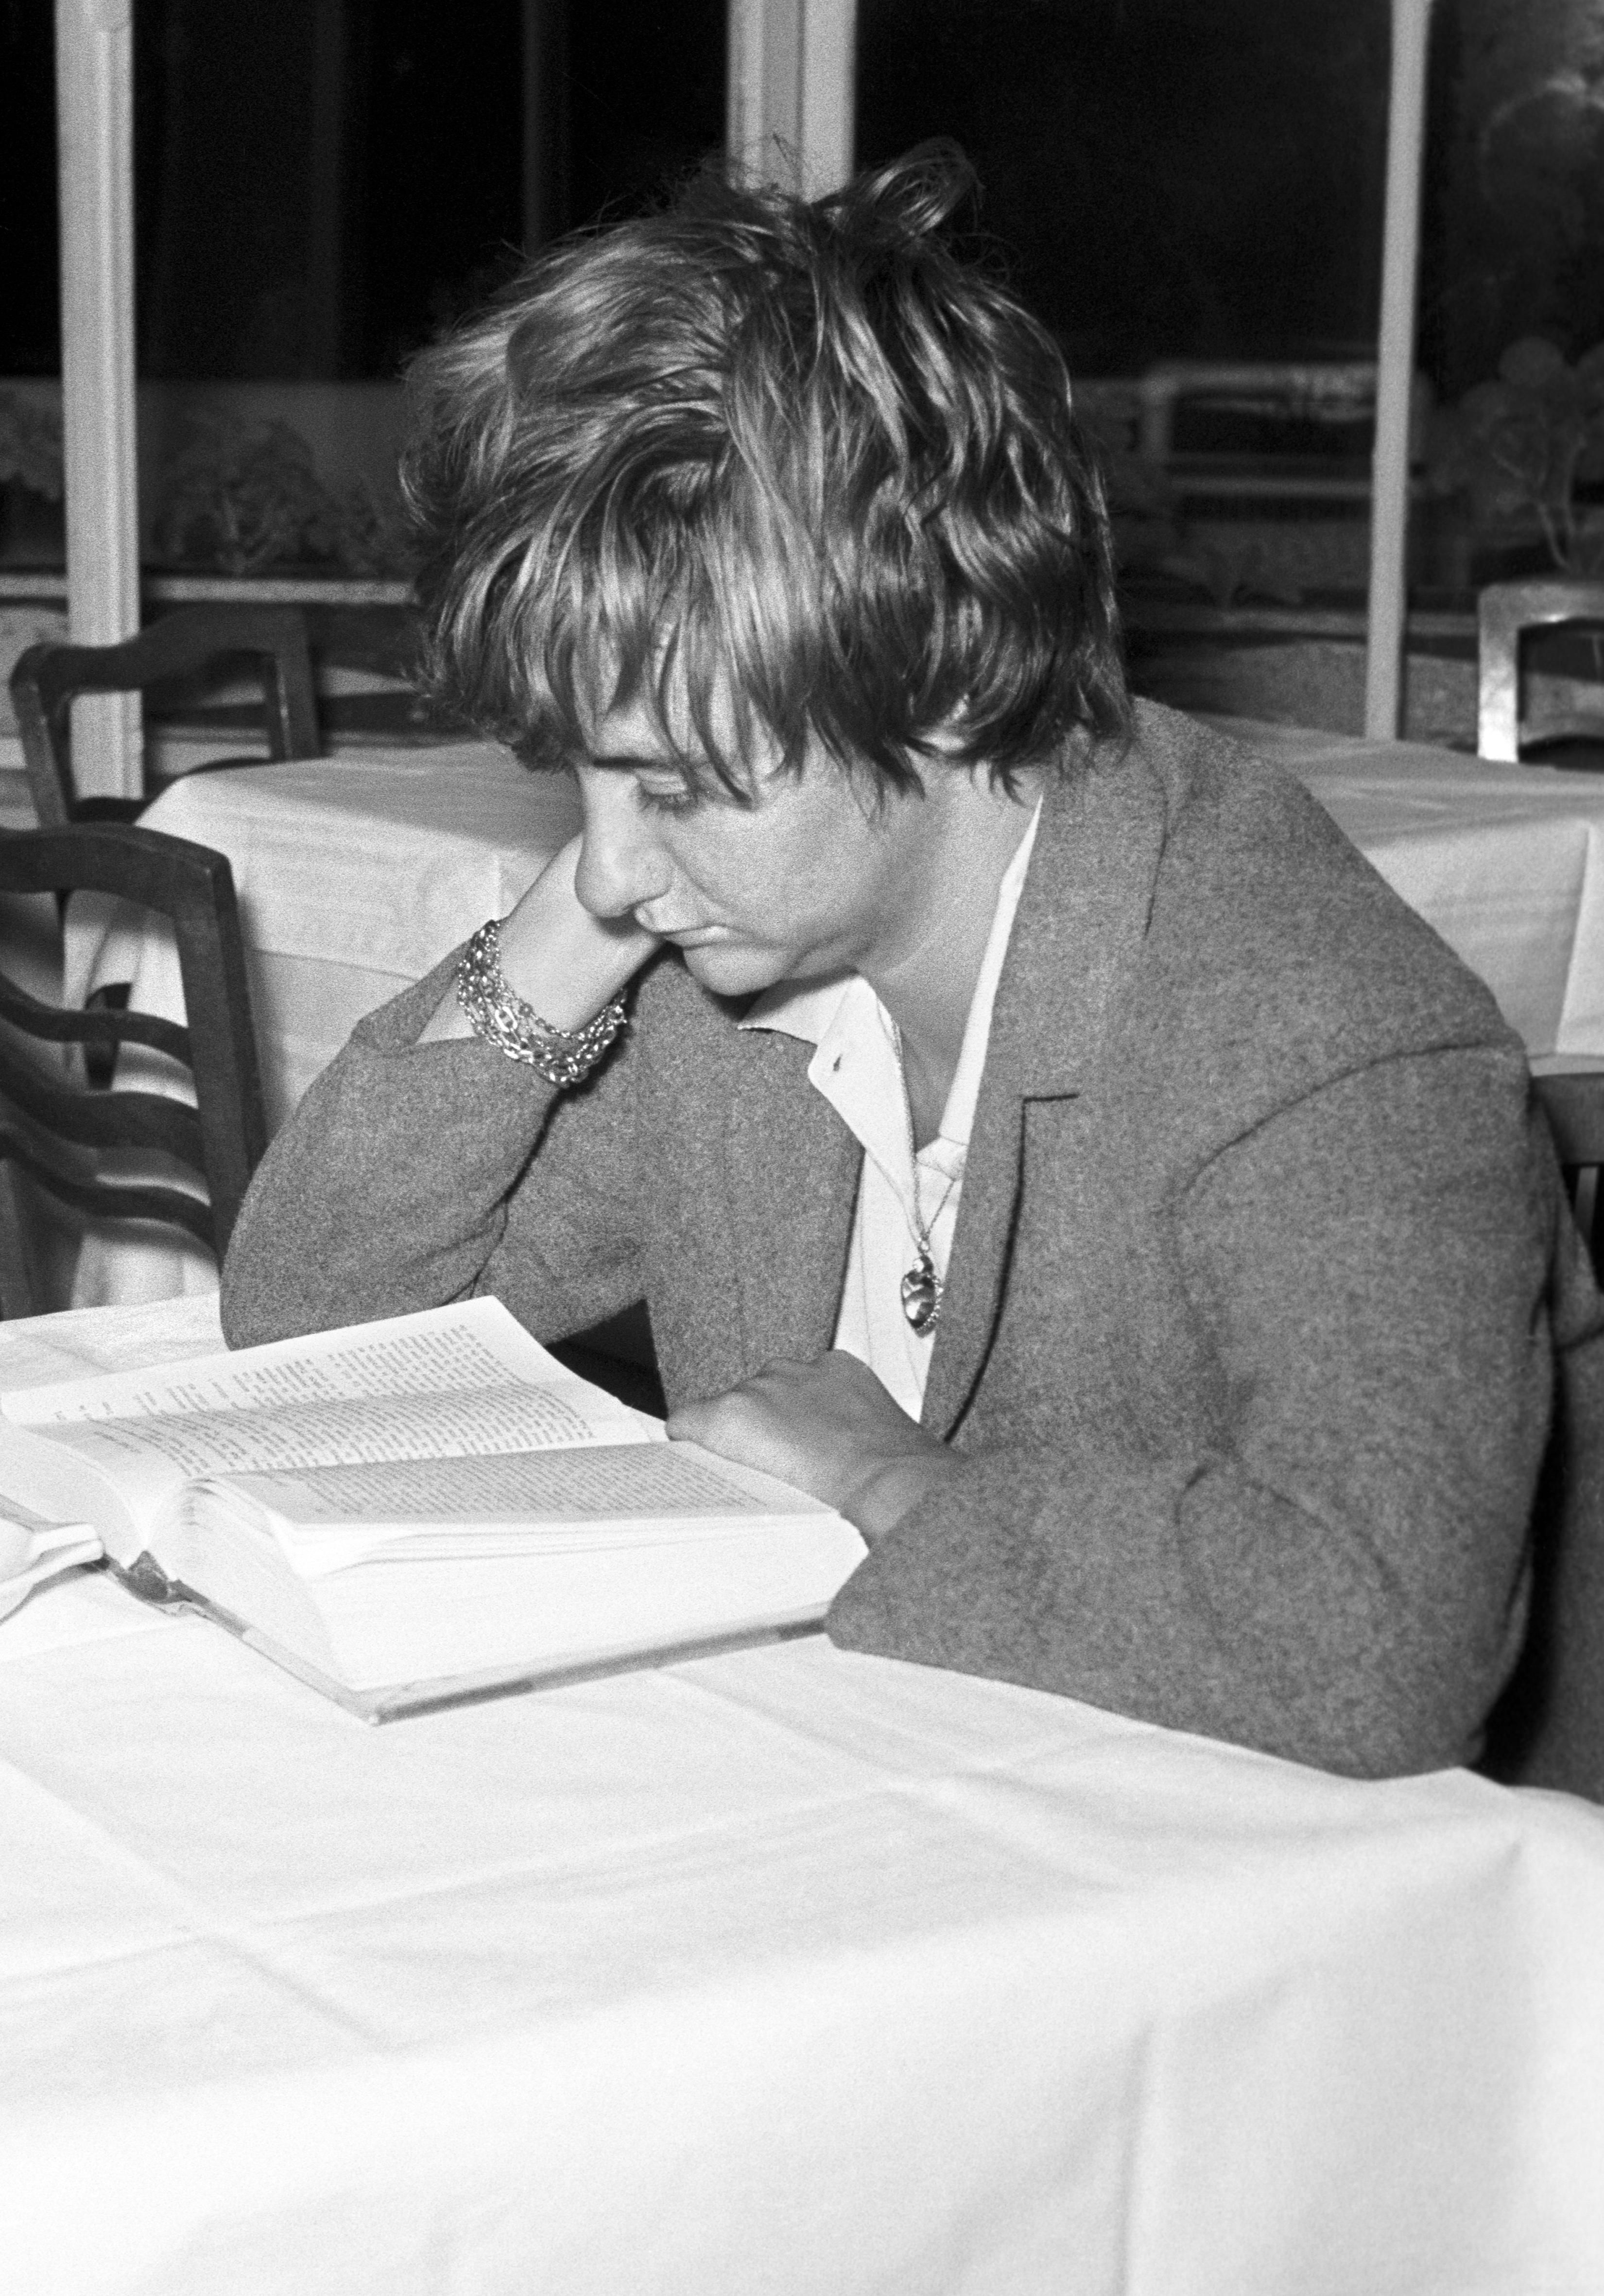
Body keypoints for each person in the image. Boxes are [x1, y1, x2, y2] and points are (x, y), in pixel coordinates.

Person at [221, 144, 1604, 1789]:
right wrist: (580, 920)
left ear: (941, 679)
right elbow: (315, 1329)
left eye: (677, 784)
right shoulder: (730, 975)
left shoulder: (1316, 1025)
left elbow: (1381, 1651)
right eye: (578, 772)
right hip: (919, 1799)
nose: (606, 865)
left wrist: (890, 1483)